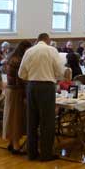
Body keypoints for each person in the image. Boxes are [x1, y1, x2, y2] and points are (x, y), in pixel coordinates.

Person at [19, 33, 64, 161]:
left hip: (32, 86)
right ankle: (46, 154)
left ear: (37, 40)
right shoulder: (52, 51)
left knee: (32, 121)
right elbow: (60, 71)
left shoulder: (29, 52)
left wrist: (33, 77)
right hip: (47, 86)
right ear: (48, 40)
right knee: (47, 121)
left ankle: (31, 153)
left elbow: (21, 73)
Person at [3, 40, 31, 155]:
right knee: (16, 119)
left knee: (11, 117)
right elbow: (21, 80)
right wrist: (25, 94)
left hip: (11, 90)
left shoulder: (12, 58)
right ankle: (16, 145)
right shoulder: (18, 61)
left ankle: (11, 142)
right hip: (16, 91)